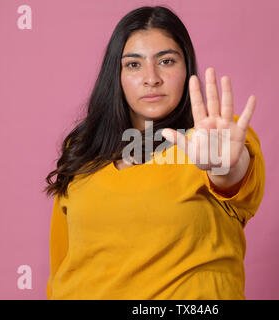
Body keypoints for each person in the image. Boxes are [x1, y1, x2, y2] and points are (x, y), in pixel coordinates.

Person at [43, 5, 265, 300]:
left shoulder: (219, 140)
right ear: (116, 75)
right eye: (133, 65)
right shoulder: (83, 151)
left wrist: (223, 167)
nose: (151, 78)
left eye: (167, 61)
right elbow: (61, 263)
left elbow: (234, 178)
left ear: (187, 68)